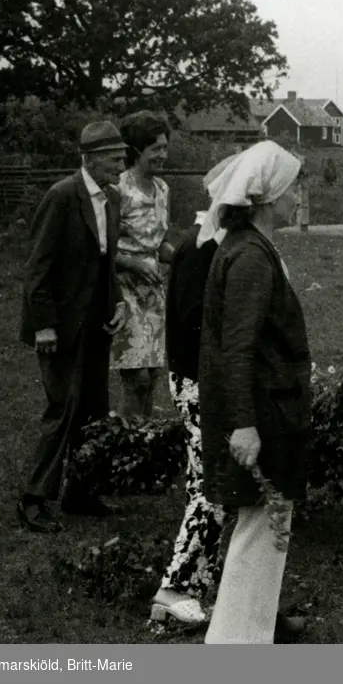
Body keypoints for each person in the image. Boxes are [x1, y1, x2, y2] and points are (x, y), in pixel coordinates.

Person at [198, 141, 311, 644]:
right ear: (269, 197)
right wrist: (243, 425)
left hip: (273, 411)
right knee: (257, 535)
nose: (299, 198)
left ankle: (249, 636)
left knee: (266, 534)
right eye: (294, 189)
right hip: (262, 415)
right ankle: (234, 645)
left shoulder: (253, 247)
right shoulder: (248, 257)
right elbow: (235, 349)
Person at [16, 121, 130, 533]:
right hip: (61, 325)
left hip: (97, 322)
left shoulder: (112, 199)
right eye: (114, 158)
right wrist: (44, 326)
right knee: (63, 407)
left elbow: (106, 262)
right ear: (90, 158)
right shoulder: (62, 196)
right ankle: (33, 499)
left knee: (93, 409)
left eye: (123, 156)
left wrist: (117, 301)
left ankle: (81, 493)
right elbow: (38, 269)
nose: (122, 164)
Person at [150, 208, 226, 625]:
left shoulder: (199, 239)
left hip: (193, 376)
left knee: (205, 483)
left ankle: (192, 586)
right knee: (209, 484)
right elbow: (193, 320)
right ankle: (173, 589)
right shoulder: (203, 247)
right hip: (199, 380)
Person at [111, 110, 173, 418]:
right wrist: (133, 264)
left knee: (153, 377)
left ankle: (144, 441)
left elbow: (159, 243)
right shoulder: (116, 190)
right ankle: (125, 444)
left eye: (165, 147)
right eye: (156, 149)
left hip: (153, 294)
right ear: (136, 152)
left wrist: (185, 254)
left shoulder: (163, 190)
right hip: (123, 292)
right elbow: (101, 248)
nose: (163, 154)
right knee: (136, 378)